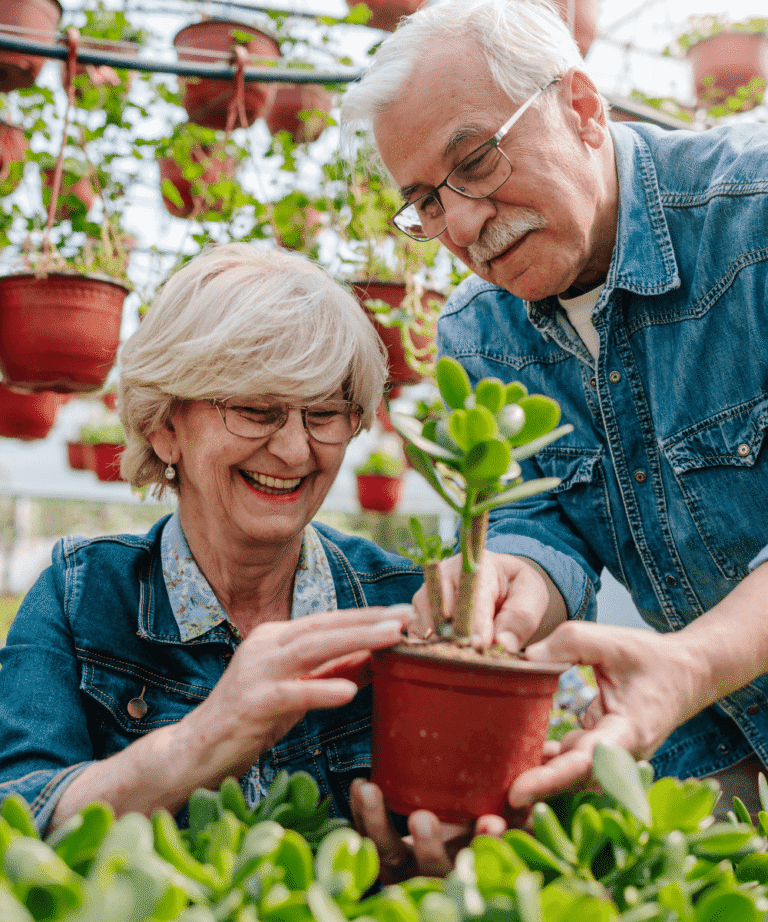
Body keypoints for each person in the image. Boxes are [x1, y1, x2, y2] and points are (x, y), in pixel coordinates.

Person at [339, 0, 768, 814]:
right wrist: (513, 578)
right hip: (704, 735)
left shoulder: (753, 219)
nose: (461, 223)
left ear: (581, 108)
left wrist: (693, 664)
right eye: (427, 202)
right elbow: (548, 520)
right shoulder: (478, 332)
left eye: (476, 160)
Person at [0, 243, 464, 869]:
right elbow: (18, 813)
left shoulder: (402, 605)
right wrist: (202, 741)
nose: (296, 450)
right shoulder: (81, 592)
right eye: (256, 411)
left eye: (324, 413)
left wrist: (438, 862)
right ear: (166, 426)